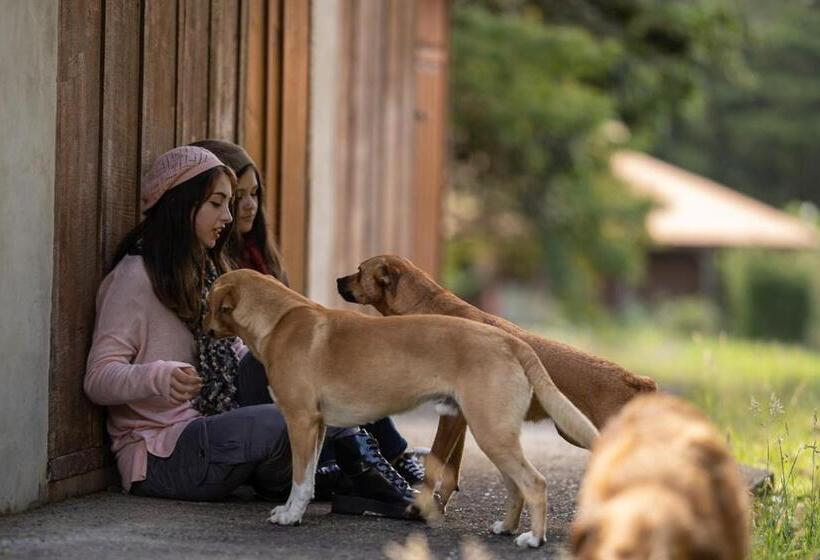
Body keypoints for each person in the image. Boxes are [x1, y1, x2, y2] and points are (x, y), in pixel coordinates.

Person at [84, 146, 419, 519]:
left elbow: (238, 358)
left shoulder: (205, 271)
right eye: (217, 203)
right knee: (300, 411)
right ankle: (376, 482)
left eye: (229, 204)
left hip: (217, 422)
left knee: (306, 366)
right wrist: (158, 376)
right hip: (163, 452)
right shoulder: (133, 278)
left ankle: (354, 475)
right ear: (181, 204)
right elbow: (97, 378)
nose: (227, 217)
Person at [189, 139, 426, 504]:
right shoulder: (217, 267)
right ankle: (363, 460)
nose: (249, 204)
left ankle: (385, 455)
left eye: (256, 194)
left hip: (278, 381)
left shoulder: (261, 255)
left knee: (346, 358)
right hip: (241, 387)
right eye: (238, 197)